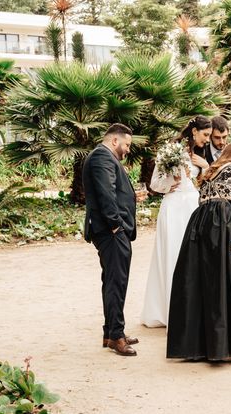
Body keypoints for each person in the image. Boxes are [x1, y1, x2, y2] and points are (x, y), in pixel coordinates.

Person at [167, 141, 231, 362]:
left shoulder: (211, 171)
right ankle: (230, 344)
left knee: (202, 280)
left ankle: (200, 345)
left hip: (200, 222)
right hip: (224, 222)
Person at [83, 123, 147, 356]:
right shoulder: (102, 158)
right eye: (127, 145)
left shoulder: (105, 158)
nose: (128, 149)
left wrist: (131, 196)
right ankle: (116, 337)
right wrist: (116, 226)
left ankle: (111, 333)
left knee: (113, 282)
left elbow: (114, 192)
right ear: (114, 141)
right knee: (115, 284)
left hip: (110, 231)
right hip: (111, 232)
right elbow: (106, 195)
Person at [140, 125, 202, 328]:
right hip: (174, 206)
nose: (208, 139)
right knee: (172, 253)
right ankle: (169, 311)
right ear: (195, 132)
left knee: (193, 255)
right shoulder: (170, 151)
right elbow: (154, 184)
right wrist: (170, 183)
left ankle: (192, 309)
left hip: (193, 204)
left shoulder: (200, 154)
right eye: (206, 134)